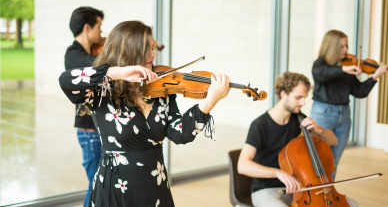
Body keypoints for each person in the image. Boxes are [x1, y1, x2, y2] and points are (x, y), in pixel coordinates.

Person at [59, 20, 230, 207]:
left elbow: (180, 134)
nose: (153, 54)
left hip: (154, 187)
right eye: (147, 48)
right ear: (129, 50)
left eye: (153, 47)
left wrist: (210, 101)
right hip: (115, 189)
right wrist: (118, 72)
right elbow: (67, 80)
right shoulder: (103, 91)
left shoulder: (161, 90)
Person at [237, 71, 359, 207]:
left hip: (301, 189)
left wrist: (319, 130)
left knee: (352, 205)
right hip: (268, 190)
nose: (303, 102)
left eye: (305, 97)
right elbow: (242, 166)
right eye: (298, 97)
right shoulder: (260, 125)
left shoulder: (300, 120)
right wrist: (278, 173)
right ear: (283, 94)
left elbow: (333, 141)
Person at [310, 30, 387, 180]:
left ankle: (329, 195)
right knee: (317, 157)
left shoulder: (349, 66)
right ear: (332, 47)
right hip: (323, 113)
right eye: (342, 47)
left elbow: (359, 92)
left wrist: (374, 77)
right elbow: (320, 74)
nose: (346, 50)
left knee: (334, 160)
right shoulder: (321, 64)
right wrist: (344, 69)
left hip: (344, 116)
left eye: (346, 46)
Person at [64, 6, 104, 207]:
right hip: (89, 132)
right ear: (87, 28)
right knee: (96, 183)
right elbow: (96, 66)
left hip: (100, 129)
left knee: (101, 183)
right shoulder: (73, 54)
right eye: (100, 27)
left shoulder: (93, 51)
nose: (101, 33)